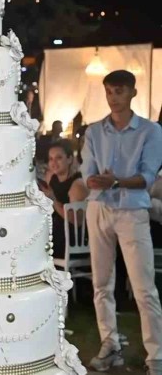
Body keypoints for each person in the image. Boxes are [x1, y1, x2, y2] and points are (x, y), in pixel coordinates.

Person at [81, 70, 162, 374]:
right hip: (99, 208)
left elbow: (147, 177)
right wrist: (97, 181)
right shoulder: (94, 132)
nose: (113, 98)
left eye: (119, 91)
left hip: (131, 211)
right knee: (101, 283)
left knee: (144, 287)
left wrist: (115, 182)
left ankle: (156, 357)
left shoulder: (150, 131)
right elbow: (88, 175)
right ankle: (110, 344)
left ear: (132, 93)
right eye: (109, 92)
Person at [41, 139, 88, 259]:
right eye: (51, 159)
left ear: (70, 159)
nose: (54, 163)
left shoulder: (77, 185)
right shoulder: (52, 178)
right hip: (55, 232)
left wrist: (53, 200)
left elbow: (76, 220)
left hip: (72, 240)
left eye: (59, 158)